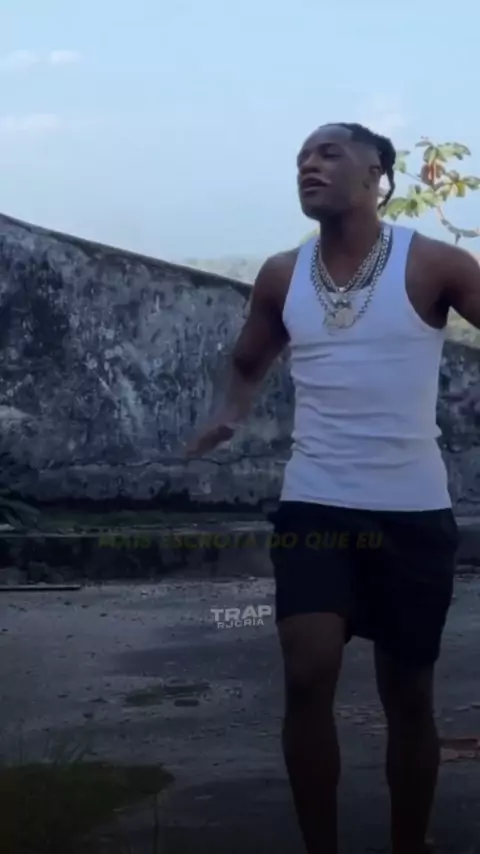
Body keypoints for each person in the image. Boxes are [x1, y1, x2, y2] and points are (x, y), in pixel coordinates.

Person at [186, 122, 480, 854]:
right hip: (315, 504)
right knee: (309, 671)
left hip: (413, 512)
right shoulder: (282, 275)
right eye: (301, 159)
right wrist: (229, 413)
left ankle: (408, 844)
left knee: (407, 694)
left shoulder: (436, 264)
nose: (309, 166)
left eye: (328, 154)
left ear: (377, 173)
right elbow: (248, 360)